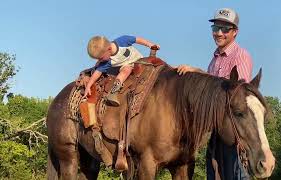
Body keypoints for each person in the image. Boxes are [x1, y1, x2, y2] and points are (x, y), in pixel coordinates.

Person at [176, 8, 253, 180]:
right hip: (217, 132)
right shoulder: (215, 58)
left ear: (235, 32)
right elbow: (214, 83)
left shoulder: (240, 56)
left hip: (234, 134)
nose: (219, 33)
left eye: (225, 29)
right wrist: (195, 72)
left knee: (236, 176)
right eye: (215, 28)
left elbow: (236, 93)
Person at [85, 35, 160, 106]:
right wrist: (89, 85)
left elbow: (137, 40)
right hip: (126, 66)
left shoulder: (122, 41)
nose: (99, 61)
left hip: (139, 61)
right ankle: (113, 92)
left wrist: (150, 44)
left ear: (109, 49)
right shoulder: (107, 62)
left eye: (100, 58)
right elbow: (98, 72)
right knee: (126, 70)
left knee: (154, 66)